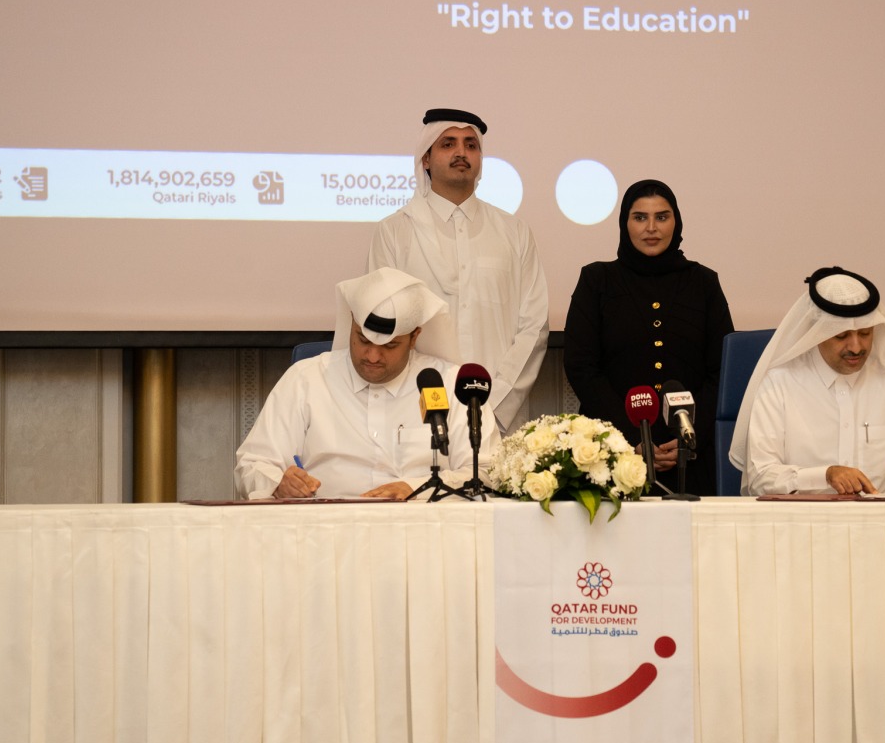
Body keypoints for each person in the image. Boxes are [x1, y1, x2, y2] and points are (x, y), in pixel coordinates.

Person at [235, 267, 500, 500]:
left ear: (414, 337)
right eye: (363, 340)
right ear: (351, 322)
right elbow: (252, 465)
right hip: (326, 529)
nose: (372, 356)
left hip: (420, 527)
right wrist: (278, 483)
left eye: (390, 346)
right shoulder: (306, 379)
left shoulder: (451, 384)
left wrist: (414, 488)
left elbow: (488, 471)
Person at [367, 108, 549, 434]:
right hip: (416, 412)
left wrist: (495, 403)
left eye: (471, 145)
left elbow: (533, 326)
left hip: (499, 418)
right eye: (448, 143)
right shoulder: (395, 231)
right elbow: (384, 325)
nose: (461, 152)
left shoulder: (515, 232)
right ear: (425, 159)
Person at [563, 179, 734, 497]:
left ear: (676, 222)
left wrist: (687, 436)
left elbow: (722, 371)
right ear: (624, 223)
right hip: (610, 455)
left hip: (691, 459)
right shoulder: (598, 280)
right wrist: (631, 438)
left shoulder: (704, 283)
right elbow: (582, 366)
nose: (651, 228)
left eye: (662, 217)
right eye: (640, 217)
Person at [729, 266, 885, 497]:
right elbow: (761, 478)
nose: (856, 347)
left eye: (865, 333)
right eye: (841, 335)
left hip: (876, 517)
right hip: (800, 517)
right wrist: (825, 475)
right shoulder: (779, 384)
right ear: (816, 332)